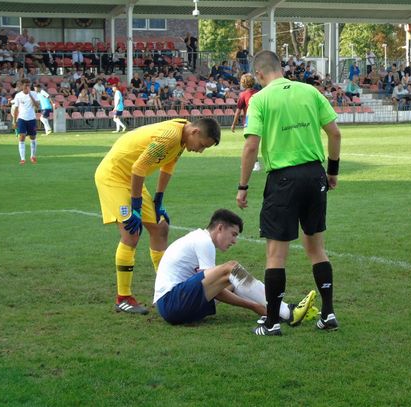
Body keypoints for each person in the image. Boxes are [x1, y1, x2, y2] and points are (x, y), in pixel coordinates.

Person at [236, 50, 341, 336]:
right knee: (316, 249)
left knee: (275, 255)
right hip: (315, 175)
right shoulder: (310, 91)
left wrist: (243, 186)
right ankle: (329, 314)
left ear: (259, 74)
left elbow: (251, 146)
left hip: (283, 179)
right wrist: (332, 171)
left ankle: (271, 323)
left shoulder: (260, 99)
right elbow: (335, 133)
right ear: (280, 68)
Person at [95, 117, 221, 315]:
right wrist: (136, 208)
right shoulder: (170, 136)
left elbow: (167, 167)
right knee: (131, 232)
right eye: (202, 145)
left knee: (160, 228)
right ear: (195, 132)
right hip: (114, 176)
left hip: (131, 178)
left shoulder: (182, 138)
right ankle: (123, 298)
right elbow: (138, 168)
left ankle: (167, 287)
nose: (200, 150)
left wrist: (158, 200)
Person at [154, 209, 317, 327]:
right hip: (170, 303)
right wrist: (253, 306)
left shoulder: (200, 239)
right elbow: (215, 291)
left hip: (173, 305)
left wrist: (256, 306)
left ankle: (276, 310)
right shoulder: (203, 241)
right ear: (220, 228)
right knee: (231, 269)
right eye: (233, 234)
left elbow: (213, 288)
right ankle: (287, 312)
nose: (234, 241)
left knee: (233, 280)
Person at [231, 73, 261, 172]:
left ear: (243, 83)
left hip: (249, 120)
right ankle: (252, 164)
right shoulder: (258, 93)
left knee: (250, 143)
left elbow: (238, 111)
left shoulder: (242, 95)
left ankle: (255, 164)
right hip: (261, 119)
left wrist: (233, 124)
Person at [13, 79, 40, 165]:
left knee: (33, 137)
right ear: (22, 86)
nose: (27, 87)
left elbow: (37, 106)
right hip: (22, 118)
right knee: (22, 137)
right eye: (25, 85)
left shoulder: (34, 94)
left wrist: (30, 95)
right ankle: (22, 159)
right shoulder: (18, 95)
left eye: (28, 85)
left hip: (31, 119)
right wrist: (14, 121)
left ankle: (33, 156)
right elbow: (16, 109)